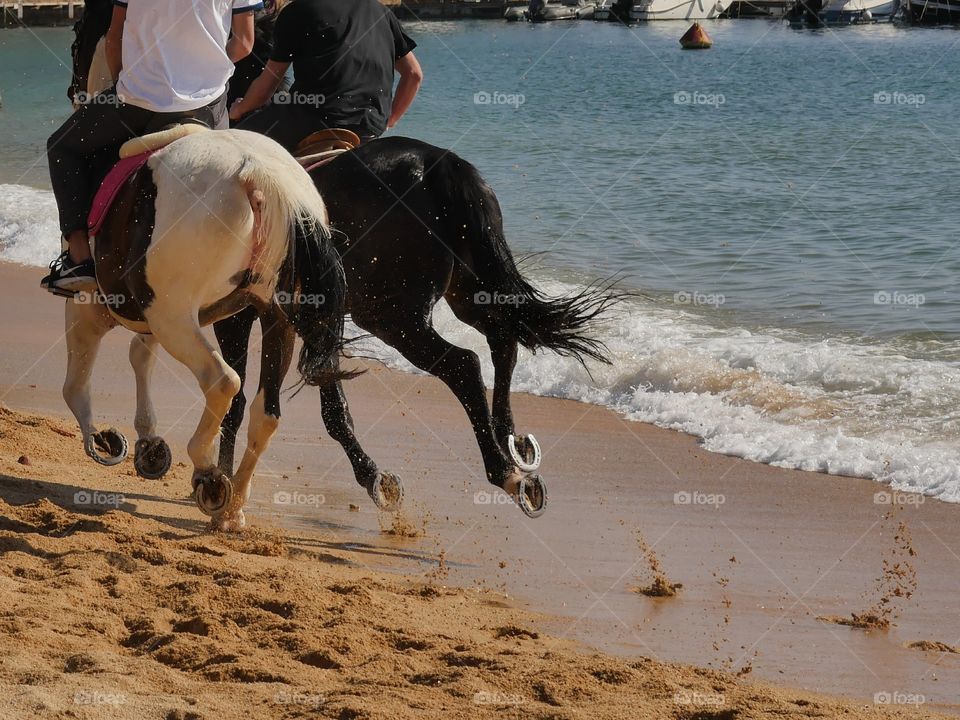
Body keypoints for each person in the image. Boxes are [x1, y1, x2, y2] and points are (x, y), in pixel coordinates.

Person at [42, 0, 261, 294]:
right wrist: (207, 71)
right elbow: (245, 43)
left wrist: (125, 81)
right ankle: (256, 259)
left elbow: (114, 39)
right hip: (205, 106)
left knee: (61, 146)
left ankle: (79, 255)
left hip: (136, 103)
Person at [228, 0, 422, 149]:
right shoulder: (381, 11)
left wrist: (241, 108)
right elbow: (414, 75)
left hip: (315, 117)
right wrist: (389, 121)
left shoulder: (298, 11)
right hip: (370, 125)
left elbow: (267, 87)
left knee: (232, 145)